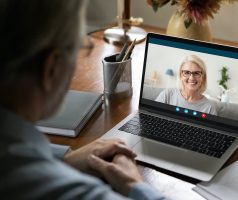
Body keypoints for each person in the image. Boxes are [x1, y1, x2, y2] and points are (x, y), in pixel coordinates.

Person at [0, 1, 167, 199]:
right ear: (52, 69)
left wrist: (65, 158)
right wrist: (134, 183)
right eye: (82, 47)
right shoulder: (73, 193)